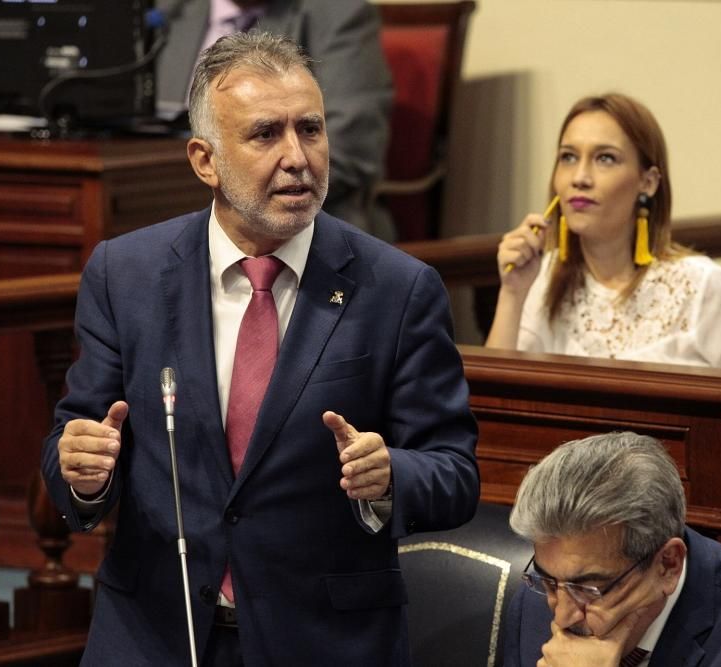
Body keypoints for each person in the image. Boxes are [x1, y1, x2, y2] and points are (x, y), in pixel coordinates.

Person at [41, 32, 478, 666]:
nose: (298, 157)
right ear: (204, 160)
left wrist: (390, 478)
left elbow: (455, 471)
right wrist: (82, 473)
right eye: (266, 134)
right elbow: (75, 443)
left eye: (311, 129)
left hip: (325, 642)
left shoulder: (398, 289)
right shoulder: (124, 274)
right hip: (153, 636)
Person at [486, 93, 721, 372]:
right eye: (568, 157)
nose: (579, 177)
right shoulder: (541, 279)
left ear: (648, 182)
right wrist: (512, 293)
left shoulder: (708, 289)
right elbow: (489, 406)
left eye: (605, 158)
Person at [503, 432, 721, 667]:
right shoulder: (535, 603)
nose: (561, 615)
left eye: (589, 589)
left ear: (668, 565)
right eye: (547, 582)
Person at [156, 0, 394, 239]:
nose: (296, 158)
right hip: (163, 216)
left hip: (317, 231)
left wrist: (160, 192)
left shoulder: (339, 13)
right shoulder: (171, 12)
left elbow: (351, 149)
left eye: (309, 130)